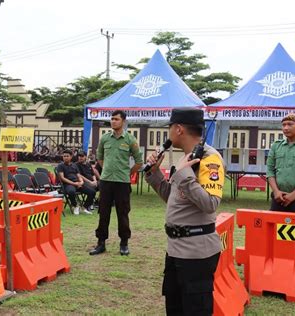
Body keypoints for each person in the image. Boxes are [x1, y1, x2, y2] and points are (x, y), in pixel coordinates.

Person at [145, 108, 225, 316]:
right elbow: (174, 198)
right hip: (175, 249)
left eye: (170, 128)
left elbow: (210, 203)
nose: (169, 133)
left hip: (197, 252)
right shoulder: (185, 158)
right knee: (175, 308)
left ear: (179, 129)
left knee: (195, 310)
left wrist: (184, 175)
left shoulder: (210, 159)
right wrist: (154, 175)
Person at [90, 110, 142, 256]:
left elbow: (139, 161)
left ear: (123, 121)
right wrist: (106, 168)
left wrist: (128, 172)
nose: (113, 121)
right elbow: (99, 157)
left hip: (122, 182)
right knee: (103, 213)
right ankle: (101, 243)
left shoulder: (130, 140)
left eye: (116, 119)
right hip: (106, 181)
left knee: (123, 213)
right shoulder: (105, 138)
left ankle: (124, 243)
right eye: (112, 119)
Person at [266, 113, 295, 212]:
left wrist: (294, 194)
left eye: (290, 124)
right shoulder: (276, 146)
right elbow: (270, 170)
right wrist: (276, 192)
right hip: (278, 198)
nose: (286, 128)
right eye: (283, 125)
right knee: (274, 226)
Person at [57, 149, 96, 215]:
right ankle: (75, 206)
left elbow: (78, 175)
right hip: (68, 184)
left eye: (67, 156)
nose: (65, 157)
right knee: (71, 192)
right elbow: (62, 178)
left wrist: (81, 182)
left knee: (92, 192)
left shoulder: (74, 165)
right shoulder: (60, 165)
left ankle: (84, 207)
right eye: (64, 156)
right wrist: (74, 183)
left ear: (71, 157)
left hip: (77, 183)